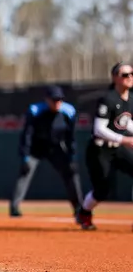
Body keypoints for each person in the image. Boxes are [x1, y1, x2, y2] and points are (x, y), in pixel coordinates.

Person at [10, 85, 83, 220]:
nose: (57, 103)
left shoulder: (68, 112)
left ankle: (79, 208)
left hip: (55, 148)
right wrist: (25, 157)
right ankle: (14, 207)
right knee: (25, 173)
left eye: (60, 100)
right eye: (54, 100)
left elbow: (70, 137)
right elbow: (27, 135)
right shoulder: (35, 111)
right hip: (35, 148)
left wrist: (72, 156)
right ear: (47, 99)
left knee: (71, 173)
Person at [77, 62, 133, 230]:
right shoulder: (108, 98)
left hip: (118, 148)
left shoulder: (130, 99)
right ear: (115, 78)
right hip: (100, 150)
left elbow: (125, 122)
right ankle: (84, 212)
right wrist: (125, 140)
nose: (129, 77)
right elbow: (99, 129)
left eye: (131, 73)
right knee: (102, 191)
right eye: (125, 75)